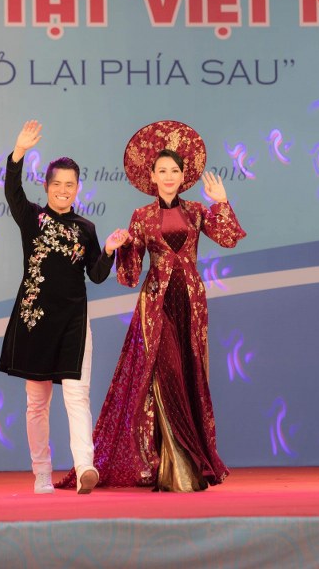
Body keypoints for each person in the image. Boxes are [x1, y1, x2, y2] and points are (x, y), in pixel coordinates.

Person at [57, 120, 246, 492]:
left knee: (189, 375)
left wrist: (222, 202)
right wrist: (123, 246)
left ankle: (188, 461)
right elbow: (129, 274)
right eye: (162, 171)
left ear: (183, 176)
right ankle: (175, 467)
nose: (169, 176)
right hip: (155, 305)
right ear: (152, 177)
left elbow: (228, 238)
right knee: (166, 373)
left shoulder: (196, 211)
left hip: (191, 303)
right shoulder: (142, 217)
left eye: (174, 170)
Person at [0, 120, 128, 494]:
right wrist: (19, 152)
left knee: (77, 395)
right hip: (36, 320)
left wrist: (108, 251)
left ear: (77, 188)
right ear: (47, 186)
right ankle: (42, 472)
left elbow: (97, 275)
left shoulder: (86, 228)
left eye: (70, 184)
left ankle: (85, 466)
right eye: (57, 184)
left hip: (74, 322)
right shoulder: (32, 218)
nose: (63, 190)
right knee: (37, 403)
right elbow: (12, 190)